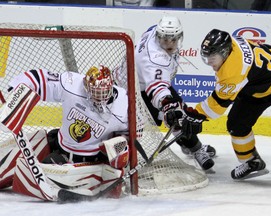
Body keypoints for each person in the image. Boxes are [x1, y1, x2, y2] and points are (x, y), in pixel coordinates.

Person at [0, 66, 130, 198]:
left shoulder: (124, 105)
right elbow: (37, 78)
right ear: (86, 86)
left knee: (28, 176)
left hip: (88, 163)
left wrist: (116, 145)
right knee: (10, 163)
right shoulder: (72, 84)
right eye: (96, 92)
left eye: (104, 93)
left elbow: (134, 134)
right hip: (59, 145)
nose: (100, 98)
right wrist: (16, 95)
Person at [192, 28, 271, 180]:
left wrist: (195, 116)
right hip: (255, 85)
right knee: (236, 125)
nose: (209, 62)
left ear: (224, 52)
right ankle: (252, 162)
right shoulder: (231, 43)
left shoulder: (233, 71)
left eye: (213, 57)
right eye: (207, 57)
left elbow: (216, 106)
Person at [135, 16, 216, 171]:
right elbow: (156, 86)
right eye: (165, 40)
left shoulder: (154, 29)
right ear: (159, 37)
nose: (169, 43)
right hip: (135, 90)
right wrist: (167, 105)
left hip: (140, 81)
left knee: (179, 115)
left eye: (173, 39)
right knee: (175, 116)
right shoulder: (156, 59)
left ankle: (193, 147)